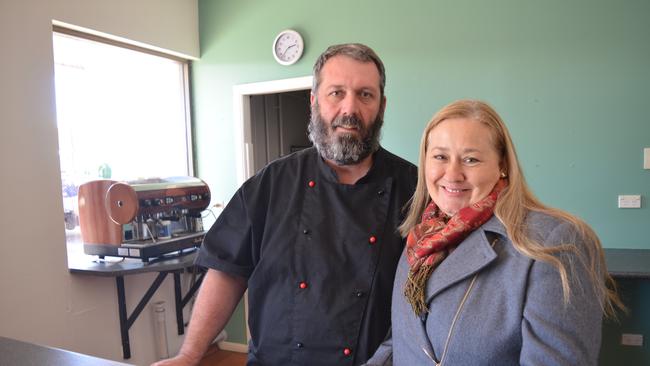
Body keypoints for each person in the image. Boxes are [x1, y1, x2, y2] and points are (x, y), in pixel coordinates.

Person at [153, 43, 417, 366]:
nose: (350, 109)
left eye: (365, 95)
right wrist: (189, 355)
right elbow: (226, 273)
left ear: (382, 106)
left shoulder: (414, 189)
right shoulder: (273, 183)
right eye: (336, 93)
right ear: (314, 100)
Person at [365, 99, 623, 365]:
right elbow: (403, 343)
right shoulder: (421, 239)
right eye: (440, 157)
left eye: (471, 159)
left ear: (502, 165)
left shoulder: (554, 242)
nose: (452, 174)